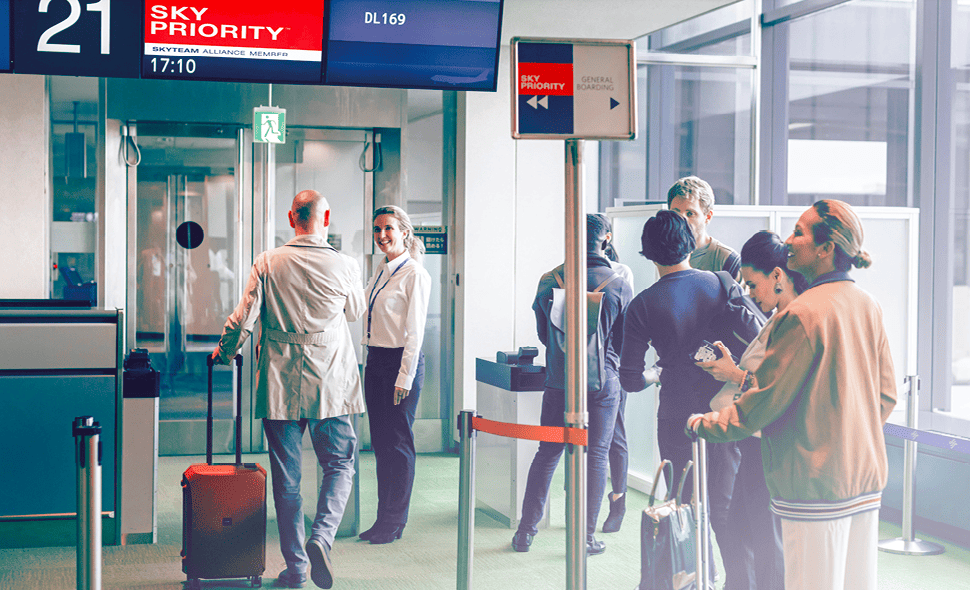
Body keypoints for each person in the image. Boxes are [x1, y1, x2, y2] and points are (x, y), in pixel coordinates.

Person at [688, 200, 898, 590]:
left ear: (825, 249)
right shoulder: (868, 305)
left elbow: (760, 405)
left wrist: (704, 424)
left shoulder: (802, 314)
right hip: (865, 482)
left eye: (800, 232)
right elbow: (886, 395)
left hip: (813, 487)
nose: (789, 240)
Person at [211, 190, 365, 590]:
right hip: (330, 380)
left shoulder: (267, 261)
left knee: (287, 480)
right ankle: (323, 537)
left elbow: (245, 318)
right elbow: (356, 312)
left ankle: (296, 569)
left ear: (292, 218)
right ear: (325, 217)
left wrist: (225, 352)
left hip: (279, 381)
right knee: (339, 465)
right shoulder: (345, 264)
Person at [618, 210, 757, 589]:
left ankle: (696, 578)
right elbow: (761, 336)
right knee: (725, 507)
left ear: (648, 252)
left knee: (685, 507)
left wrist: (659, 372)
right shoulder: (723, 282)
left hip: (677, 414)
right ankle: (741, 582)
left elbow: (629, 379)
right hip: (727, 407)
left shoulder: (643, 306)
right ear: (691, 243)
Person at [694, 231, 809, 590]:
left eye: (753, 283)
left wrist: (733, 374)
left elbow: (780, 390)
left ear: (778, 275)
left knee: (764, 538)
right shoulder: (778, 317)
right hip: (754, 441)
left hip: (770, 444)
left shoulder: (795, 321)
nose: (749, 292)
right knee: (739, 528)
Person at [512, 214, 633, 555]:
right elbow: (623, 338)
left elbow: (543, 334)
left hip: (558, 380)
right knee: (596, 456)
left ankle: (525, 532)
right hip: (603, 382)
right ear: (605, 239)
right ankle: (585, 537)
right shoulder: (619, 280)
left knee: (548, 452)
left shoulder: (548, 280)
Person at [359, 205, 431, 545]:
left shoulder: (414, 273)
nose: (382, 235)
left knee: (398, 445)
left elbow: (415, 333)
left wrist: (404, 376)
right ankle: (381, 518)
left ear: (404, 231)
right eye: (377, 229)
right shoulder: (379, 270)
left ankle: (394, 520)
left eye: (388, 228)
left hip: (401, 365)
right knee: (381, 445)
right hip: (375, 362)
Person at [600, 216, 633, 534]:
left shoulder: (621, 273)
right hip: (583, 368)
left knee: (615, 437)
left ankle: (618, 503)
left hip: (613, 367)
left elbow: (627, 326)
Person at [667, 175, 741, 280]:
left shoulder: (728, 260)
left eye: (690, 213)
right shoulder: (664, 254)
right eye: (676, 213)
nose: (682, 220)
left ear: (708, 217)